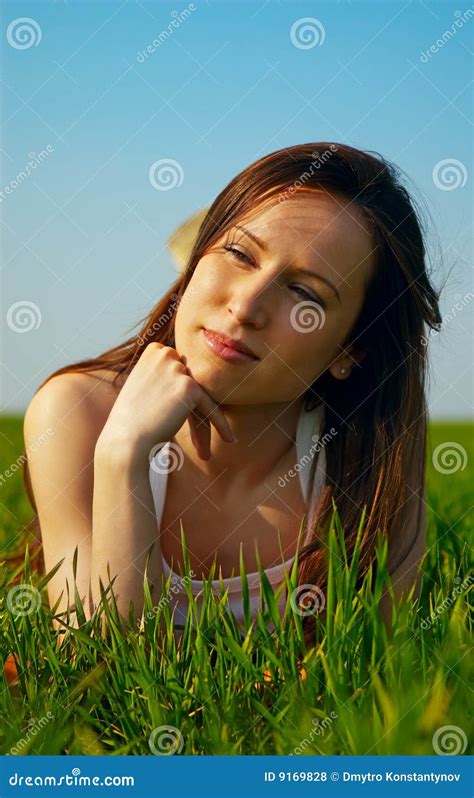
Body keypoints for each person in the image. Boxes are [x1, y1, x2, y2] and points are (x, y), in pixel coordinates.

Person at [21, 142, 442, 647]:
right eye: (239, 254)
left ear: (351, 350)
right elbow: (90, 664)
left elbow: (368, 672)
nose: (245, 305)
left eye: (305, 294)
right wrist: (121, 455)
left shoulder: (368, 452)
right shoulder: (76, 413)